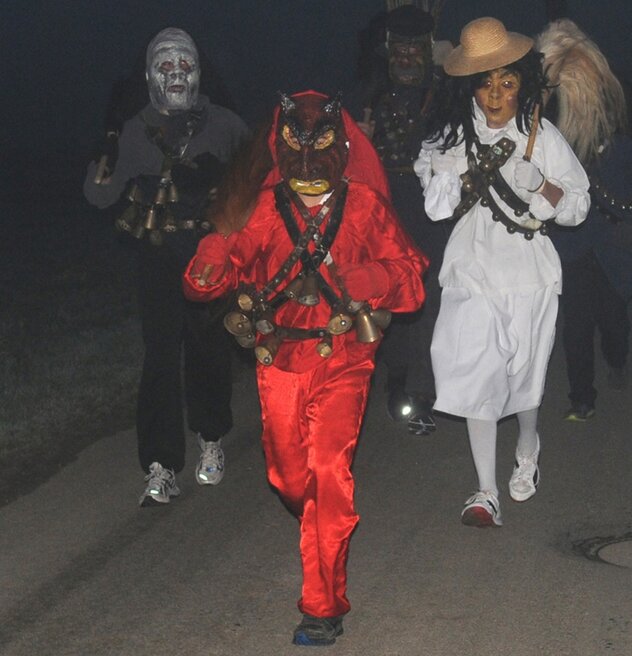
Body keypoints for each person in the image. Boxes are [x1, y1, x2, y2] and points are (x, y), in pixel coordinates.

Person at [184, 90, 426, 646]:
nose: (310, 160)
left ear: (341, 147)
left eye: (322, 145)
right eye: (297, 144)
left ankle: (322, 605)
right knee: (290, 478)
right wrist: (212, 257)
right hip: (279, 362)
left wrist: (372, 280)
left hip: (344, 359)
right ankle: (316, 520)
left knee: (329, 475)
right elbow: (207, 284)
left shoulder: (364, 205)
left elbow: (411, 278)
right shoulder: (264, 210)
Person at [415, 17, 590, 527]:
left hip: (529, 270)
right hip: (472, 267)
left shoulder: (544, 137)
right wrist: (446, 175)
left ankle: (529, 447)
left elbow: (576, 208)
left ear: (523, 85)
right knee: (476, 373)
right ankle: (485, 491)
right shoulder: (449, 136)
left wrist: (542, 186)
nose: (495, 94)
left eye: (507, 82)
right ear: (469, 84)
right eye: (485, 82)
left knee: (523, 378)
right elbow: (435, 212)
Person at [83, 27, 249, 506]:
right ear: (150, 75)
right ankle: (160, 464)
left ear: (198, 70)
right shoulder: (133, 128)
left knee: (208, 347)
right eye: (166, 66)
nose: (176, 75)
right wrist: (104, 153)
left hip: (209, 255)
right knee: (159, 357)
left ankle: (211, 437)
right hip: (156, 256)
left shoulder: (226, 124)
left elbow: (256, 191)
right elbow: (99, 197)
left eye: (185, 66)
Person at [536, 18, 632, 421]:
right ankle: (582, 398)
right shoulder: (554, 144)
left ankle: (618, 360)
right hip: (571, 251)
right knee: (575, 327)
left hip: (613, 252)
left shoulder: (624, 151)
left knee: (613, 325)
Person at [353, 4, 450, 436]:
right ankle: (395, 380)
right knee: (388, 295)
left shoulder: (448, 95)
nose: (407, 58)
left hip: (432, 208)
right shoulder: (368, 94)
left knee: (428, 298)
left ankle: (423, 392)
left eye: (415, 48)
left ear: (429, 50)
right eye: (399, 49)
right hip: (386, 208)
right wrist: (362, 141)